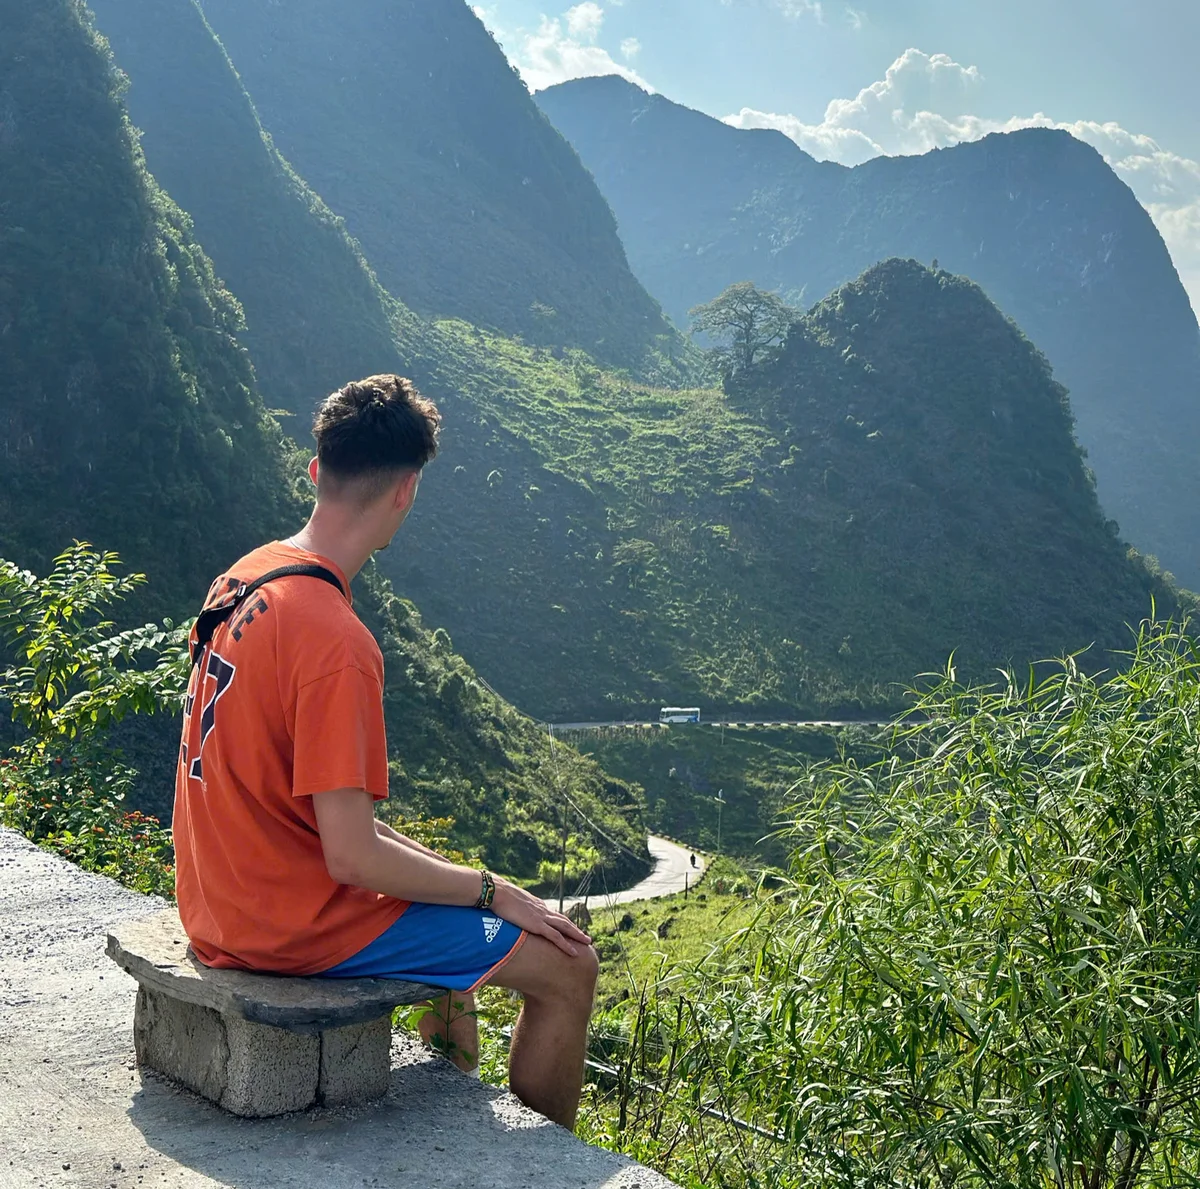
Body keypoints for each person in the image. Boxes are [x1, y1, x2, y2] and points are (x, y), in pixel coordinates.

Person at [172, 374, 597, 1130]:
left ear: (315, 473)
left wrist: (468, 883)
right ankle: (551, 1166)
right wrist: (493, 890)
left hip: (218, 901)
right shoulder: (336, 641)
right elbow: (353, 859)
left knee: (452, 936)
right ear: (406, 492)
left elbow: (325, 819)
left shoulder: (241, 578)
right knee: (570, 966)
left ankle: (455, 1118)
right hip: (282, 924)